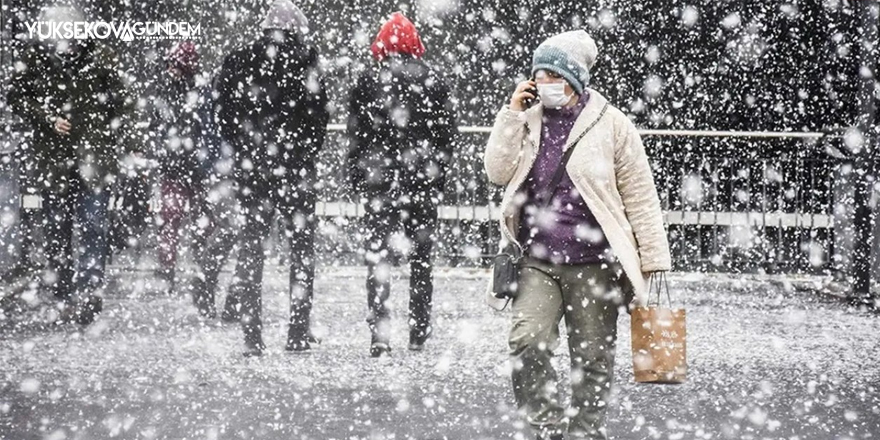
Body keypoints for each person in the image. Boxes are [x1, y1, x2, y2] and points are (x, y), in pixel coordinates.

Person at [483, 30, 672, 440]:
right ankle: (546, 427)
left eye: (555, 73)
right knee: (527, 343)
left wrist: (654, 258)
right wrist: (511, 112)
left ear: (576, 77)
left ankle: (585, 432)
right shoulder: (528, 119)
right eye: (539, 74)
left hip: (595, 264)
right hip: (536, 260)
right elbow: (497, 172)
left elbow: (640, 194)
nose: (546, 82)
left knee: (592, 358)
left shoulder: (613, 125)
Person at [211, 0, 329, 357]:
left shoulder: (238, 61)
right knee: (301, 252)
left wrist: (248, 150)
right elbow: (318, 117)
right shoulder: (307, 62)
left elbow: (223, 115)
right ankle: (296, 331)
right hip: (295, 171)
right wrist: (300, 153)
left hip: (252, 170)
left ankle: (252, 335)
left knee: (251, 249)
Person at [7, 4, 137, 326]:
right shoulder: (37, 60)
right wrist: (47, 118)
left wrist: (115, 138)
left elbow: (124, 101)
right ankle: (65, 292)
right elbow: (16, 96)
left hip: (93, 157)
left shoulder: (102, 57)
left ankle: (88, 291)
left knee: (93, 225)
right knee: (57, 229)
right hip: (53, 161)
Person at [346, 12, 455, 357]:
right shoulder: (434, 80)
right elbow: (446, 137)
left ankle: (380, 333)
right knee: (421, 260)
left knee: (378, 259)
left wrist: (358, 174)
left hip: (381, 185)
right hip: (421, 182)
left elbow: (357, 135)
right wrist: (437, 174)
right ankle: (418, 331)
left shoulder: (367, 80)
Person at [147, 40, 217, 292]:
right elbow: (208, 127)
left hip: (183, 165)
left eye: (175, 65)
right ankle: (189, 267)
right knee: (180, 220)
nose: (170, 69)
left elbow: (161, 125)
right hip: (185, 165)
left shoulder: (176, 91)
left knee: (175, 220)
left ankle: (176, 269)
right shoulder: (198, 90)